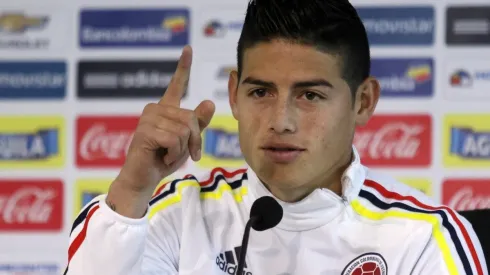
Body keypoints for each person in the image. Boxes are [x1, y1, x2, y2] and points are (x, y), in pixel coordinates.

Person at [64, 0, 488, 274]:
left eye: (310, 95)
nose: (280, 120)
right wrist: (133, 189)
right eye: (261, 92)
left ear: (363, 101)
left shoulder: (424, 236)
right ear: (233, 94)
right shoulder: (178, 212)